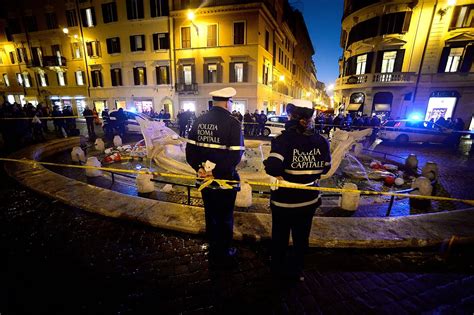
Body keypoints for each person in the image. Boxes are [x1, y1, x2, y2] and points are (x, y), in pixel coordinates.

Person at [263, 99, 331, 283]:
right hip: (309, 200)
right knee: (302, 237)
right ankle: (297, 270)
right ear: (310, 117)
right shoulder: (322, 141)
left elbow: (273, 167)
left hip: (284, 201)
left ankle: (277, 268)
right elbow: (326, 169)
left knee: (280, 236)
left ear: (291, 116)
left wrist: (267, 164)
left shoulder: (282, 140)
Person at [186, 87, 244, 267]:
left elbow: (190, 151)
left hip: (204, 180)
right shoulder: (233, 123)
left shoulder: (199, 120)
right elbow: (236, 156)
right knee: (225, 216)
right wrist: (217, 172)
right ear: (228, 102)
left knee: (210, 214)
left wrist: (199, 168)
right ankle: (224, 251)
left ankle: (213, 246)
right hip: (225, 180)